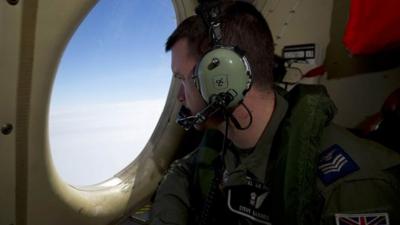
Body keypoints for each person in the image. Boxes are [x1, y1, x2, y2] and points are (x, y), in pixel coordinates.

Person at [150, 1, 400, 225]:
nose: (181, 97)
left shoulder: (348, 188)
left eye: (183, 79)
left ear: (222, 80)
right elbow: (183, 171)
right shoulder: (225, 140)